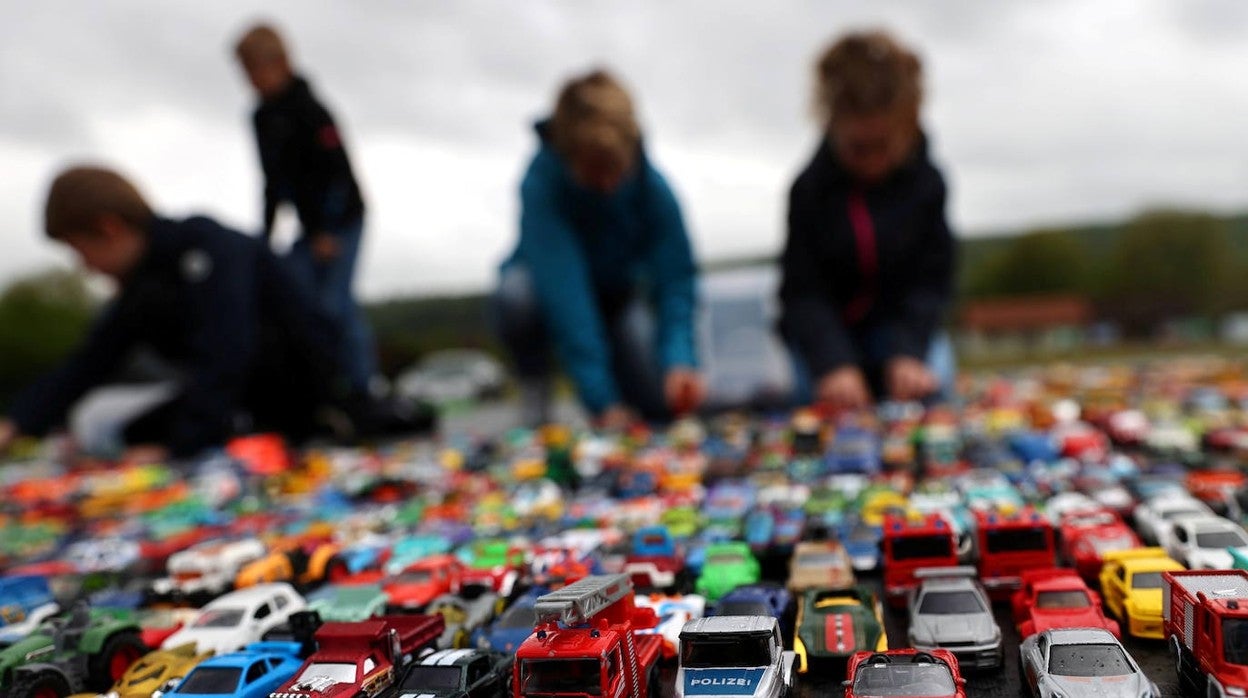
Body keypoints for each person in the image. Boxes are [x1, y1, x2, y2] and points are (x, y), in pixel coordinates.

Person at [0, 165, 347, 461]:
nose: (85, 267)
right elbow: (89, 361)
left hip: (294, 394)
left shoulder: (209, 248)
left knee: (167, 429)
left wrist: (179, 450)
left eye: (81, 250)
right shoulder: (141, 286)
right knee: (136, 430)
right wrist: (15, 423)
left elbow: (226, 353)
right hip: (234, 397)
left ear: (109, 228)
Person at [494, 69, 704, 428]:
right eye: (594, 172)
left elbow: (676, 280)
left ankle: (629, 388)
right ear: (568, 154)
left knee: (658, 399)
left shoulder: (651, 186)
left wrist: (680, 360)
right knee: (516, 296)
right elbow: (565, 294)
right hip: (548, 296)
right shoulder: (541, 184)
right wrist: (601, 401)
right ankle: (535, 389)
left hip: (618, 298)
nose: (607, 185)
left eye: (615, 171)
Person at [779, 30, 957, 411]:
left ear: (907, 124)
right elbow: (802, 292)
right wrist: (833, 363)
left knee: (935, 391)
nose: (873, 163)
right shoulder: (809, 191)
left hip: (903, 331)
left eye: (885, 147)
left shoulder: (929, 185)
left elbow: (932, 282)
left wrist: (908, 350)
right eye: (859, 149)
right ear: (832, 125)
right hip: (829, 338)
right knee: (813, 405)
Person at [233, 23, 376, 395]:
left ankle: (362, 391)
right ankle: (322, 393)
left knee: (333, 305)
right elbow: (271, 181)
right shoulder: (262, 118)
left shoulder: (312, 110)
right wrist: (263, 240)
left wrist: (326, 231)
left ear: (282, 62)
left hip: (342, 220)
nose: (251, 80)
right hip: (309, 229)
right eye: (245, 72)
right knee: (297, 302)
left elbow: (338, 173)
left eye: (256, 69)